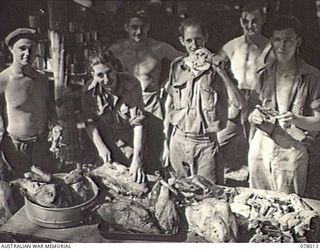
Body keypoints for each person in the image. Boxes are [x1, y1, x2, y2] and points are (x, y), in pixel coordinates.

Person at [163, 18, 245, 184]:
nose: (194, 45)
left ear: (206, 37)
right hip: (178, 140)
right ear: (182, 42)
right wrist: (166, 143)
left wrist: (221, 73)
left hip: (205, 144)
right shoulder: (177, 66)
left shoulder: (219, 66)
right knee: (180, 192)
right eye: (189, 40)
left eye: (198, 39)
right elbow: (169, 104)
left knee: (210, 197)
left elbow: (240, 103)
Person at [248, 15, 320, 195]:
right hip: (261, 145)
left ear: (298, 42)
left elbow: (318, 122)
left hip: (292, 148)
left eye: (288, 40)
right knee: (258, 203)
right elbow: (251, 108)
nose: (282, 46)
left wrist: (297, 119)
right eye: (278, 39)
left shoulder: (312, 77)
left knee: (288, 208)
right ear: (271, 41)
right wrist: (253, 116)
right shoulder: (262, 74)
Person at [109, 8, 183, 174]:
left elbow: (184, 60)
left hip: (151, 103)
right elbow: (101, 68)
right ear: (126, 27)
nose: (139, 31)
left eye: (143, 27)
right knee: (128, 151)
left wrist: (168, 83)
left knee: (156, 149)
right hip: (126, 104)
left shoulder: (159, 48)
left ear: (148, 27)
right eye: (134, 27)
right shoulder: (116, 49)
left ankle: (157, 185)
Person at [217, 2, 270, 173]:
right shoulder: (232, 46)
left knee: (256, 146)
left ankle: (255, 183)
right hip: (235, 100)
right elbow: (215, 67)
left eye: (254, 21)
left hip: (258, 101)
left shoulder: (270, 48)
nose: (250, 26)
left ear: (263, 20)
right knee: (217, 142)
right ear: (240, 21)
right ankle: (214, 177)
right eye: (245, 21)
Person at [0, 28, 58, 180]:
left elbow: (48, 108)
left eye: (31, 49)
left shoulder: (42, 79)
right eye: (22, 48)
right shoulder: (3, 80)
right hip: (17, 148)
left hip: (43, 146)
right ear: (11, 49)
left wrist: (57, 127)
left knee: (47, 192)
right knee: (20, 190)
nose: (27, 53)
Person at [82, 49, 146, 183]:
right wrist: (101, 147)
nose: (106, 80)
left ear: (115, 68)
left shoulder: (132, 84)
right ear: (92, 75)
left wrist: (137, 159)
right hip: (106, 139)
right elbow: (90, 123)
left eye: (109, 72)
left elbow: (138, 124)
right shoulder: (89, 91)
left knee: (136, 180)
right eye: (100, 75)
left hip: (131, 140)